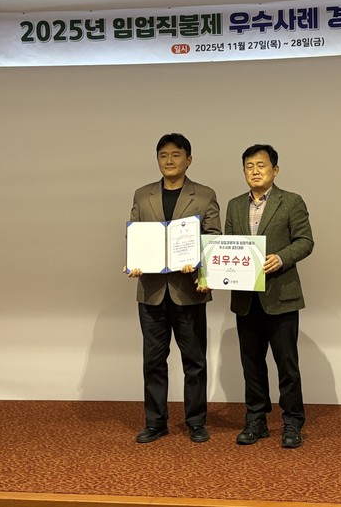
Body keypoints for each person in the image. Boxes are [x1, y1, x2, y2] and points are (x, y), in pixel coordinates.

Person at [125, 133, 221, 444]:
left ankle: (196, 422)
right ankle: (155, 422)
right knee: (153, 361)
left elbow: (213, 238)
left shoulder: (204, 195)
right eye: (163, 155)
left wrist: (197, 262)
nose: (169, 160)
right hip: (151, 291)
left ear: (188, 160)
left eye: (176, 155)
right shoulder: (143, 195)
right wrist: (134, 261)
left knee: (194, 361)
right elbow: (134, 235)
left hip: (188, 290)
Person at [224, 143, 314, 449]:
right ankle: (256, 420)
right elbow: (227, 246)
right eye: (249, 166)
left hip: (281, 296)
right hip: (246, 298)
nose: (255, 171)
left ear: (275, 170)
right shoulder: (235, 205)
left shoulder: (291, 201)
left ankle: (292, 422)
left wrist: (282, 258)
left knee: (287, 363)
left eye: (261, 165)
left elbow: (305, 241)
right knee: (251, 363)